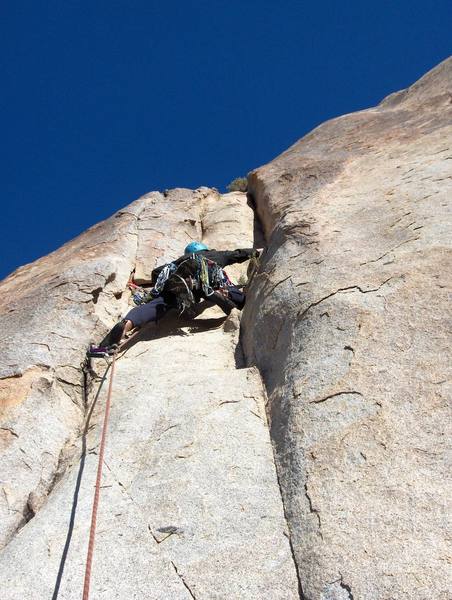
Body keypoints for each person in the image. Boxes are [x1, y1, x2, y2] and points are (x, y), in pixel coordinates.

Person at [88, 242, 259, 357]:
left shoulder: (177, 262)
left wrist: (158, 289)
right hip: (205, 275)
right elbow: (237, 255)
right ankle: (231, 297)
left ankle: (125, 325)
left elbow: (157, 272)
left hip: (178, 280)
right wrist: (255, 254)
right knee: (221, 286)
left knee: (157, 304)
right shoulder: (215, 255)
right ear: (204, 250)